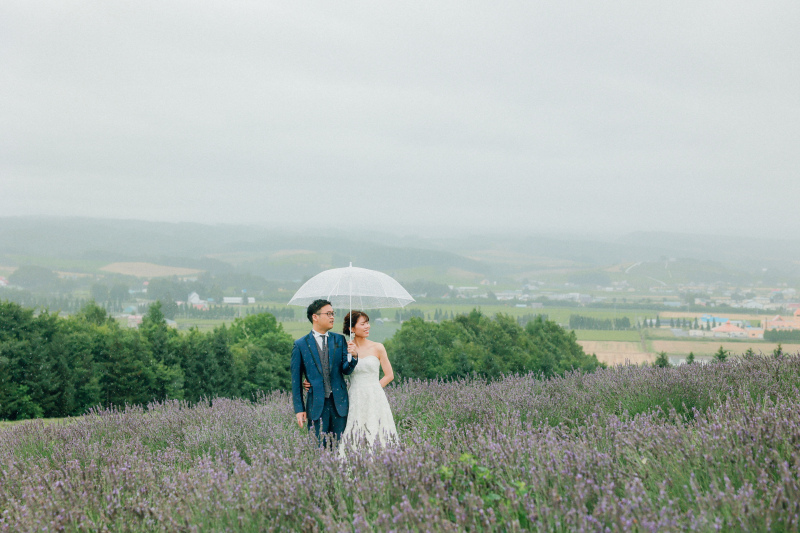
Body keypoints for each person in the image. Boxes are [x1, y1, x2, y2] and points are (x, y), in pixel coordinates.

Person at [291, 299, 359, 447]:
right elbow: (295, 381)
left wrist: (353, 357)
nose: (332, 317)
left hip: (339, 405)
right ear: (315, 317)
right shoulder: (301, 344)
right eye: (328, 314)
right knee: (317, 450)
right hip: (316, 406)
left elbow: (345, 370)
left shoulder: (339, 339)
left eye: (333, 314)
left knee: (340, 448)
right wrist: (299, 409)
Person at [338, 310, 398, 452]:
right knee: (354, 429)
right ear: (352, 329)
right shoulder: (345, 348)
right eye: (363, 324)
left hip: (375, 396)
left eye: (368, 323)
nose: (367, 326)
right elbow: (338, 372)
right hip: (355, 396)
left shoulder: (378, 347)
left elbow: (389, 375)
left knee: (378, 429)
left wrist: (374, 389)